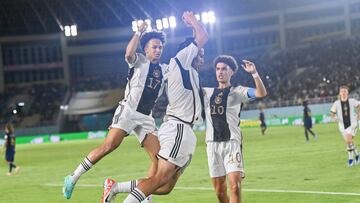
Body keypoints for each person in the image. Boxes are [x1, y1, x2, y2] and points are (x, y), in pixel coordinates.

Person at [63, 22, 167, 199]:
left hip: (146, 117)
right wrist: (138, 32)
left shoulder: (165, 70)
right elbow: (128, 53)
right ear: (147, 49)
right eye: (154, 47)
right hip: (128, 111)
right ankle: (73, 177)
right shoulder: (139, 61)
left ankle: (145, 195)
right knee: (109, 146)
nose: (158, 50)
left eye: (160, 47)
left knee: (159, 160)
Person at [111, 11, 208, 203]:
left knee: (166, 187)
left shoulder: (191, 73)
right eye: (200, 53)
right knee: (159, 179)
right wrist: (193, 21)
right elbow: (203, 36)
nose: (202, 57)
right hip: (178, 127)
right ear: (190, 51)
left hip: (186, 130)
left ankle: (115, 187)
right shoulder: (180, 60)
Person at [203, 56, 267, 203]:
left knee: (235, 187)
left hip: (232, 144)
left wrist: (254, 73)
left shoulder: (238, 91)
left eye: (224, 69)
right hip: (212, 145)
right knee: (219, 192)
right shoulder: (206, 93)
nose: (220, 72)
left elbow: (261, 93)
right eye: (218, 69)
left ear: (232, 72)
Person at [330, 85, 360, 167]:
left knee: (348, 140)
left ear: (347, 93)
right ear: (339, 93)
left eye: (345, 91)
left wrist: (359, 114)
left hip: (352, 124)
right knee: (349, 141)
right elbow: (332, 112)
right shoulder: (336, 103)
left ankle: (350, 159)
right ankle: (357, 154)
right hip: (342, 125)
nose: (343, 93)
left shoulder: (352, 101)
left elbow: (359, 106)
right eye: (342, 91)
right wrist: (334, 117)